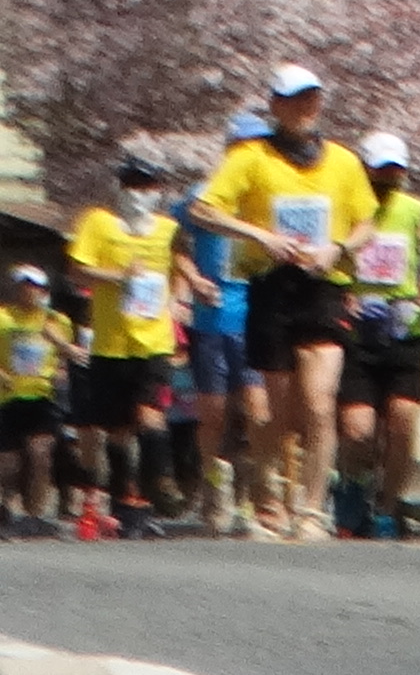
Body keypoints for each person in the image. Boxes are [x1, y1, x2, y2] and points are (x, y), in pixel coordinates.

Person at [205, 70, 368, 540]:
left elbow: (365, 223)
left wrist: (337, 248)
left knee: (319, 402)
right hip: (271, 284)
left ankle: (314, 509)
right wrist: (259, 235)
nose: (305, 108)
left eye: (312, 99)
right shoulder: (249, 158)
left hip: (322, 286)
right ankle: (269, 503)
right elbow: (206, 209)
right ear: (274, 105)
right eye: (294, 100)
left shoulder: (343, 161)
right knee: (272, 411)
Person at [333, 128, 420, 539]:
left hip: (404, 327)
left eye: (395, 171)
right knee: (358, 429)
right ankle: (353, 484)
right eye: (380, 171)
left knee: (404, 419)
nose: (388, 179)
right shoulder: (347, 207)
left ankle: (388, 506)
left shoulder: (413, 209)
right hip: (358, 329)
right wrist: (342, 293)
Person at [65, 153, 187, 532]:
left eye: (147, 185)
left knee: (150, 414)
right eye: (132, 184)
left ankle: (162, 481)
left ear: (159, 191)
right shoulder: (98, 223)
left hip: (153, 341)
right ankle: (127, 501)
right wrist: (119, 276)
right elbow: (76, 269)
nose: (139, 193)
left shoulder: (169, 229)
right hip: (111, 343)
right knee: (116, 428)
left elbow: (181, 265)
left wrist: (182, 296)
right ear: (119, 187)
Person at [169, 156, 256, 535]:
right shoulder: (203, 196)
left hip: (259, 319)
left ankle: (253, 496)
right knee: (215, 412)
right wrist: (193, 279)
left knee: (258, 411)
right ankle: (214, 486)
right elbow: (173, 243)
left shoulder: (269, 194)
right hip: (213, 319)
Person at [1, 264, 70, 532]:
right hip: (8, 397)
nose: (28, 291)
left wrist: (61, 372)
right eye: (23, 286)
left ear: (43, 290)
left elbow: (65, 355)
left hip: (43, 398)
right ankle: (6, 506)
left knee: (40, 454)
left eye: (34, 286)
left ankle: (34, 514)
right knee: (9, 463)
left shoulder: (56, 321)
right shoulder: (4, 317)